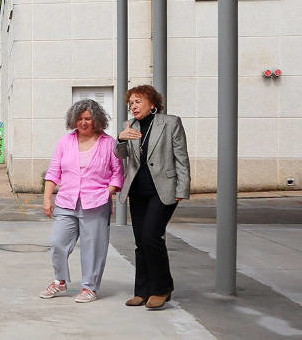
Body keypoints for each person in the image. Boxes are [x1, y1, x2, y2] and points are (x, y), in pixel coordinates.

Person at [40, 99, 123, 303]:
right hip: (66, 201)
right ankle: (60, 281)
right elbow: (54, 171)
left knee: (93, 247)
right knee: (57, 242)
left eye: (88, 118)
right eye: (79, 118)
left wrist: (108, 191)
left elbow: (118, 173)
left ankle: (89, 287)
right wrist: (47, 198)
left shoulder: (109, 142)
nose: (83, 122)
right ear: (73, 120)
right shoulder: (65, 141)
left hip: (96, 203)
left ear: (97, 120)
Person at [115, 85, 190, 310]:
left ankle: (161, 288)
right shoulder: (129, 126)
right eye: (131, 103)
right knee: (140, 242)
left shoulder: (170, 123)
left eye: (138, 101)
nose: (133, 106)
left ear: (152, 103)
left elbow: (181, 158)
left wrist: (182, 189)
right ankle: (142, 291)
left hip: (163, 189)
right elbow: (121, 156)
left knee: (151, 237)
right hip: (138, 191)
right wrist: (120, 139)